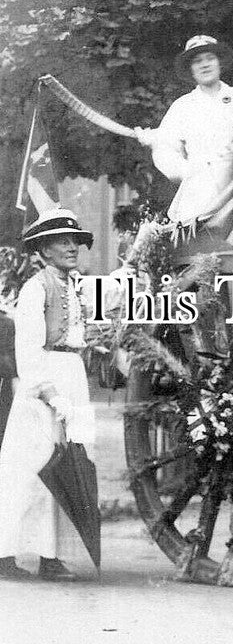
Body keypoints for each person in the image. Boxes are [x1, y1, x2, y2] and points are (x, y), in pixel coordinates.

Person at [0, 209, 97, 581]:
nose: (72, 247)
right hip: (44, 381)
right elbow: (28, 349)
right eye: (63, 241)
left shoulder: (74, 286)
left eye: (75, 241)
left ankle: (50, 556)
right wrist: (50, 393)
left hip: (72, 374)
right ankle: (4, 553)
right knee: (33, 469)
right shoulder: (35, 288)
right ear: (43, 250)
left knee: (67, 468)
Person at [137, 35, 233, 225]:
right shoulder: (183, 107)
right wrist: (186, 173)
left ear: (219, 62)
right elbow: (165, 149)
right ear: (191, 69)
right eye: (197, 61)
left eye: (210, 58)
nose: (205, 65)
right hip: (202, 195)